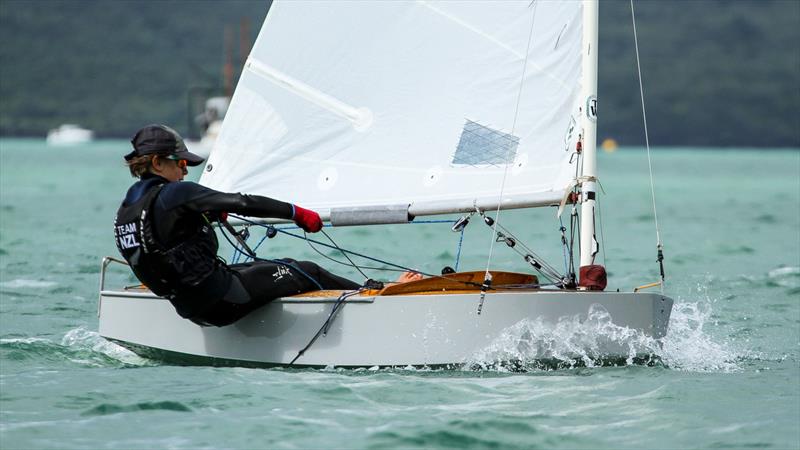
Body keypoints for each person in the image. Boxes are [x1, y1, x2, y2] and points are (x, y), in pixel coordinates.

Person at [114, 124, 374, 327]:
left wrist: (206, 215)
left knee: (279, 264)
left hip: (189, 309)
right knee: (306, 271)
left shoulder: (127, 210)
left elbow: (165, 245)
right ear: (158, 162)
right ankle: (372, 301)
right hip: (224, 301)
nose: (185, 172)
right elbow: (242, 202)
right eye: (180, 163)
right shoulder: (176, 194)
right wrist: (296, 213)